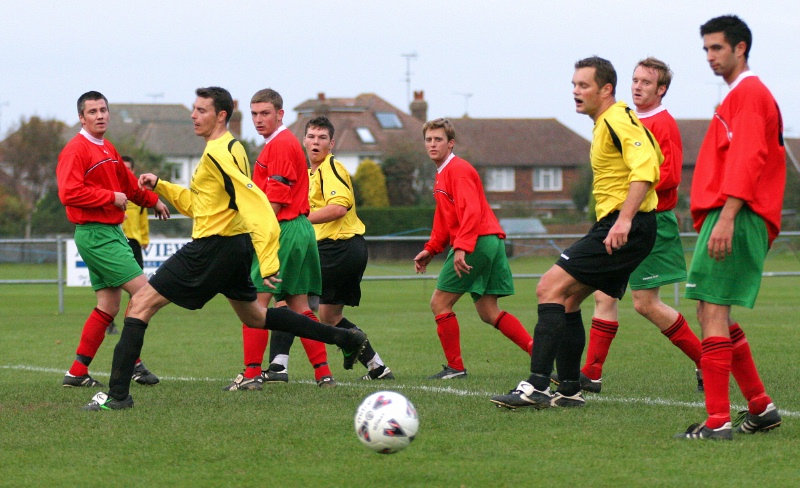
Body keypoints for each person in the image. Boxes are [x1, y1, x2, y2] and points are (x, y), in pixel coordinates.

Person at [82, 87, 368, 411]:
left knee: (139, 306)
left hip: (212, 247)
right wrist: (161, 184)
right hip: (232, 247)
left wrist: (269, 257)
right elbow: (201, 205)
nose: (193, 115)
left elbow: (254, 203)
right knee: (258, 318)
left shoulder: (219, 152)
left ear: (221, 115)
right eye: (193, 109)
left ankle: (117, 396)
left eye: (201, 110)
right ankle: (346, 338)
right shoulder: (231, 148)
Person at [491, 56, 661, 409]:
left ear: (606, 89)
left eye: (583, 85)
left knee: (547, 287)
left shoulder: (617, 118)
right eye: (573, 85)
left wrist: (624, 220)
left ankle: (537, 385)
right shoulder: (606, 123)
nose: (575, 92)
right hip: (619, 224)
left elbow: (646, 167)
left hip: (625, 225)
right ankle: (569, 390)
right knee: (567, 299)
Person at [556, 58, 702, 394]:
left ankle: (705, 360)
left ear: (661, 90)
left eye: (647, 83)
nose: (637, 87)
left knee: (645, 303)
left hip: (650, 220)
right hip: (621, 221)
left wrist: (631, 191)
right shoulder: (626, 118)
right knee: (604, 296)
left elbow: (671, 175)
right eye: (635, 80)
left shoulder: (663, 124)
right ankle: (591, 374)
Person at [675, 15, 784, 440]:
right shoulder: (738, 95)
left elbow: (749, 157)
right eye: (705, 49)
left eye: (717, 48)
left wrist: (728, 215)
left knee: (713, 310)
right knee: (708, 309)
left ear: (740, 48)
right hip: (728, 214)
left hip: (735, 215)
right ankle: (760, 406)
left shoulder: (750, 93)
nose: (709, 57)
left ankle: (718, 421)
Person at [260, 115, 393, 382]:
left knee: (287, 298)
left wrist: (298, 219)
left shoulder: (331, 168)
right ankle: (377, 367)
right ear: (304, 141)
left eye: (322, 138)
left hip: (338, 248)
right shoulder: (309, 173)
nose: (316, 142)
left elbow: (339, 207)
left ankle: (279, 366)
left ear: (331, 144)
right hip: (344, 249)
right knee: (329, 317)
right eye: (311, 137)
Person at [224, 89, 335, 390]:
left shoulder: (282, 145)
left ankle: (250, 375)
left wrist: (256, 236)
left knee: (254, 305)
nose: (259, 120)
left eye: (265, 113)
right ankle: (323, 374)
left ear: (280, 114)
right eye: (254, 114)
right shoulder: (279, 144)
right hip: (297, 229)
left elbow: (275, 200)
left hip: (282, 230)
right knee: (299, 306)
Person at [57, 91, 168, 389]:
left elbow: (129, 186)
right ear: (81, 117)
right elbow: (68, 193)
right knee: (145, 294)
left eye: (103, 110)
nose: (100, 115)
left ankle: (77, 372)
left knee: (108, 306)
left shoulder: (107, 148)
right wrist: (110, 197)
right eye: (92, 111)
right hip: (95, 234)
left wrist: (152, 200)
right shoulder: (75, 150)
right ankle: (133, 365)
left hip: (109, 232)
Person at [414, 118, 532, 380]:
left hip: (478, 240)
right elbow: (445, 220)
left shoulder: (458, 170)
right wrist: (431, 249)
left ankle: (455, 367)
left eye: (438, 140)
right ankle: (540, 356)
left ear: (451, 143)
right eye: (429, 140)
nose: (432, 144)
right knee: (489, 312)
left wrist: (461, 247)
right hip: (488, 240)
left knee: (439, 303)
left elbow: (472, 211)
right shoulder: (443, 173)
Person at [121, 156, 150, 270]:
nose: (125, 171)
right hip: (117, 239)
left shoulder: (140, 191)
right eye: (123, 168)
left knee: (138, 277)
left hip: (134, 240)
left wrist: (144, 238)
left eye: (128, 168)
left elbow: (143, 217)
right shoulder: (112, 188)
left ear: (133, 171)